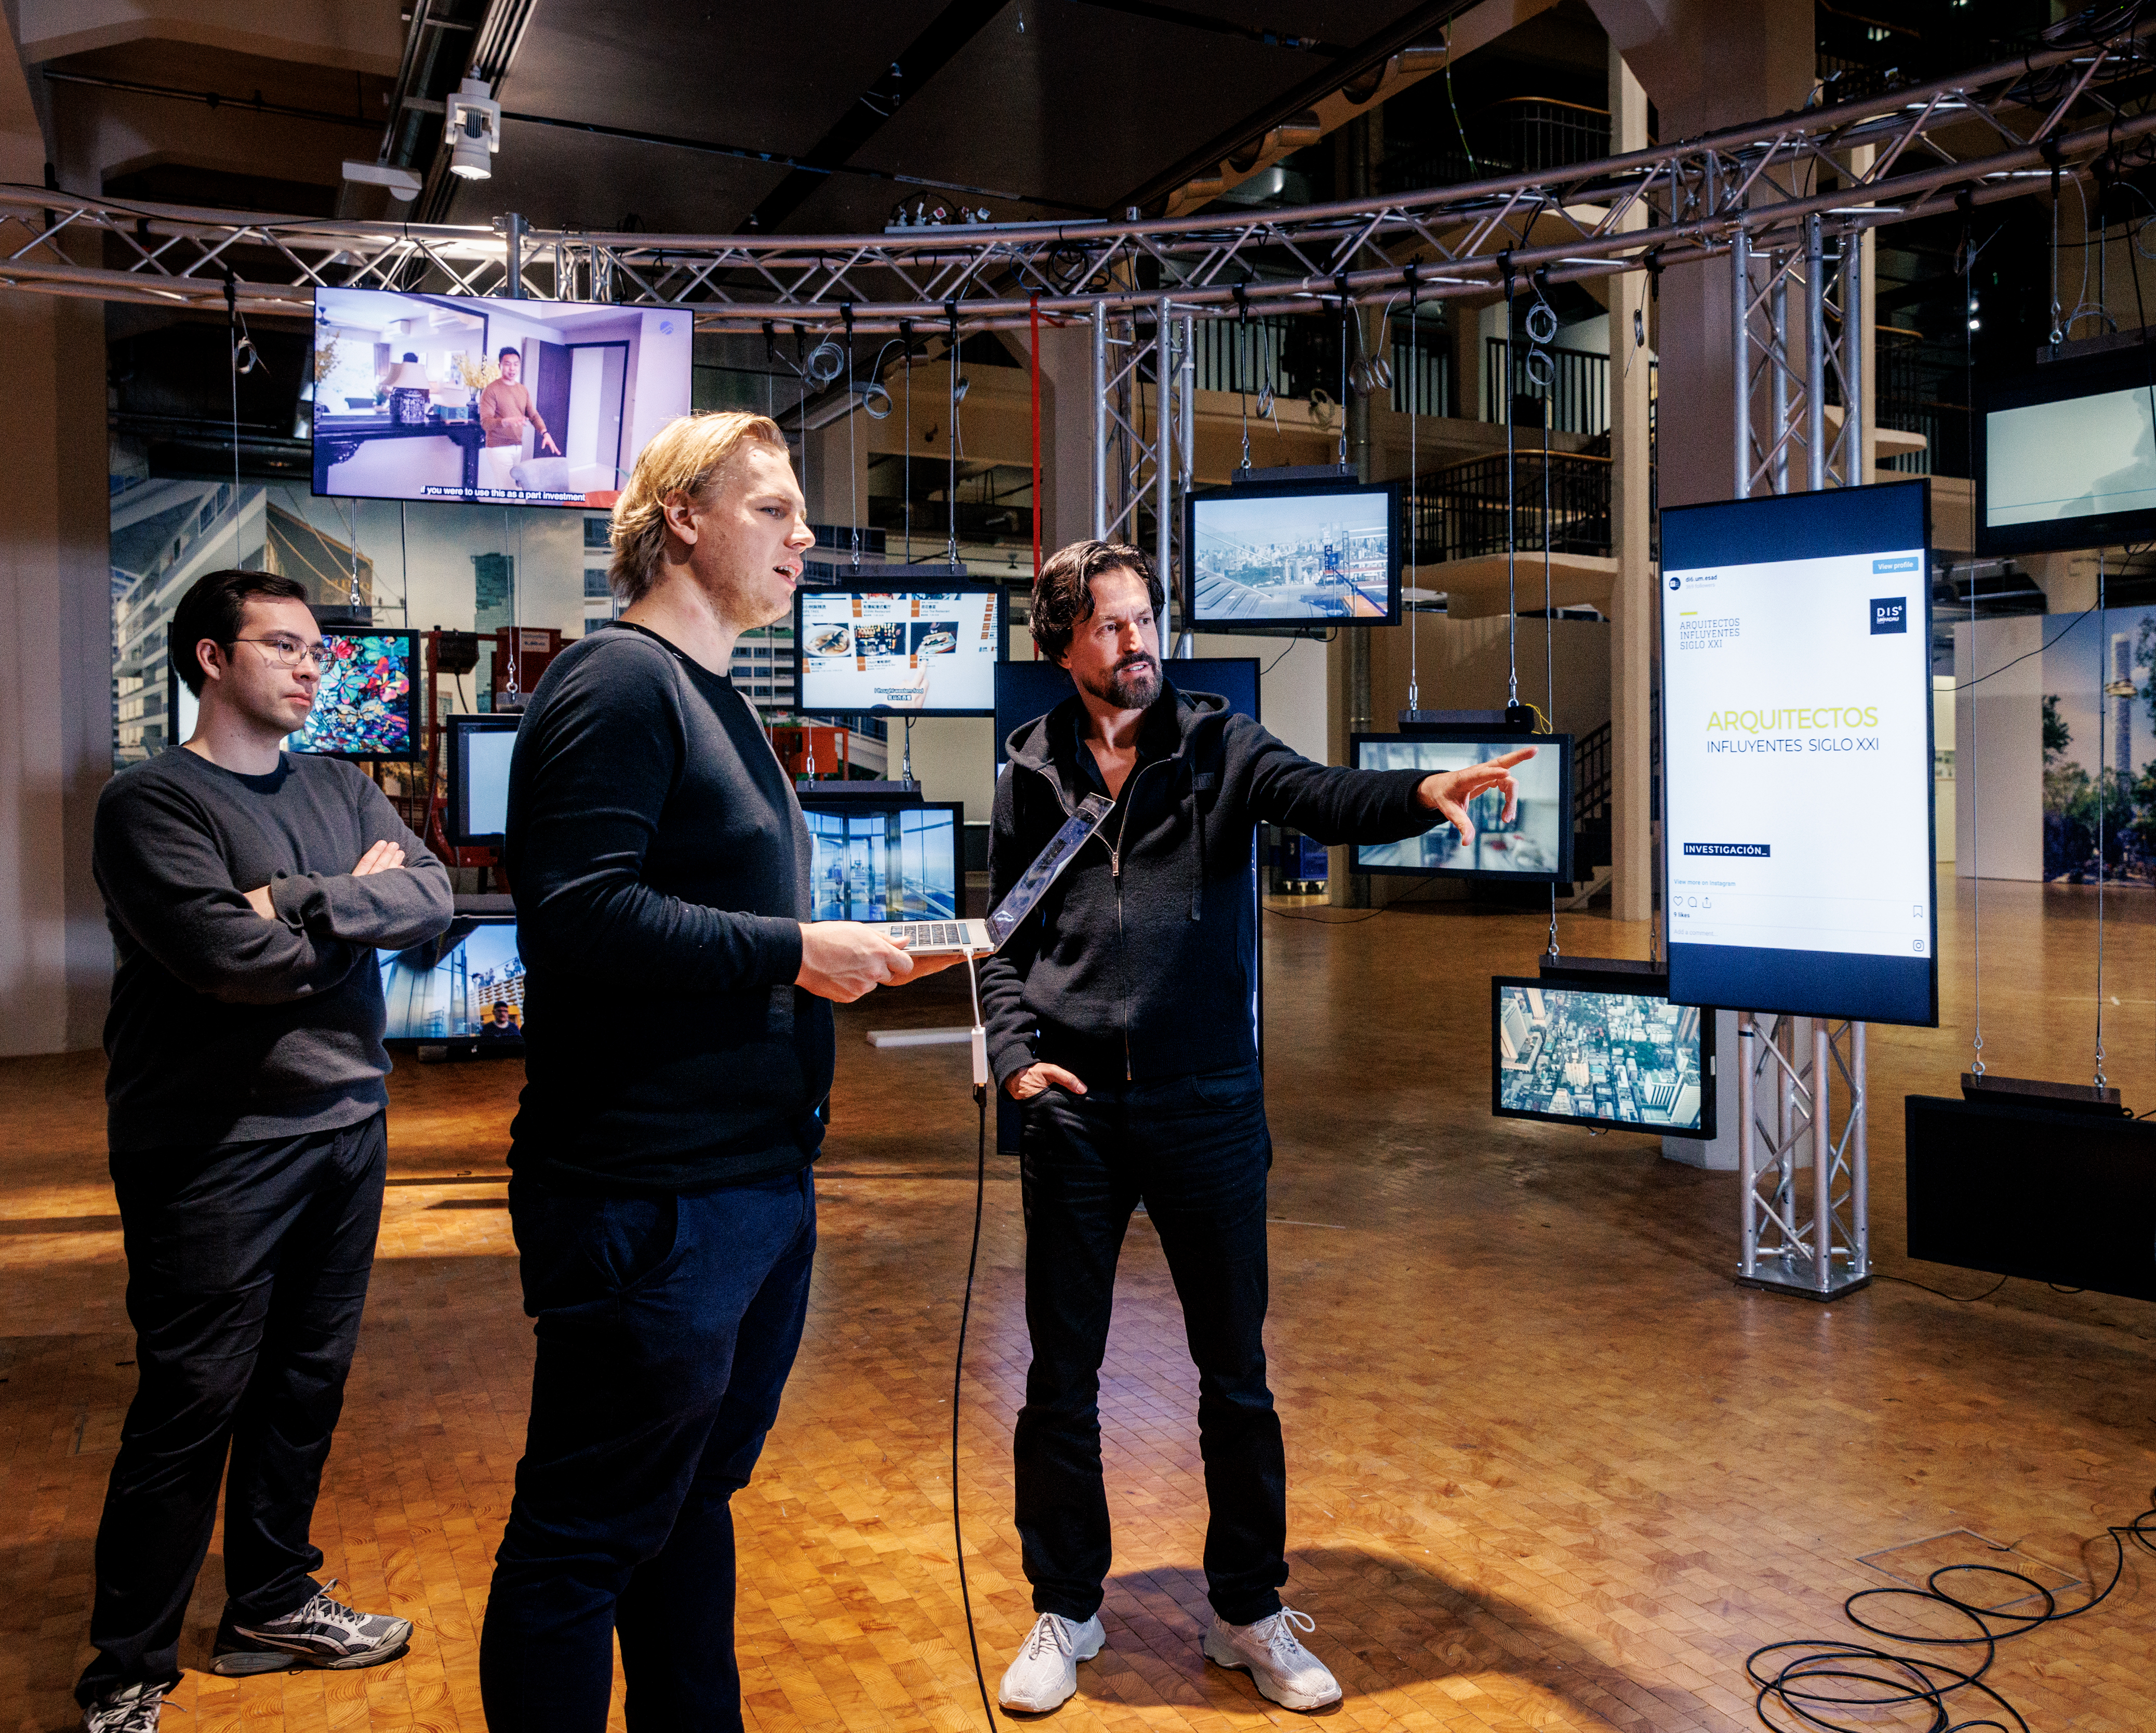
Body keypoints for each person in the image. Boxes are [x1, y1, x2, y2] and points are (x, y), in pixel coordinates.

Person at [978, 540, 1529, 1715]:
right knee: (1058, 1380)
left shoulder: (1218, 746)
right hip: (1074, 1114)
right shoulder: (1028, 770)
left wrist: (1417, 794)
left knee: (1236, 1378)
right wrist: (1018, 1064)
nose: (1138, 643)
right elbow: (1004, 943)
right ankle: (1067, 1608)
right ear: (1062, 646)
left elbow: (1320, 795)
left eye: (1144, 620)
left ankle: (1247, 1610)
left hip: (1208, 1105)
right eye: (1113, 627)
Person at [480, 411, 953, 1733]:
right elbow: (574, 914)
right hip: (646, 1196)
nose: (806, 536)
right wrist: (794, 948)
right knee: (582, 1536)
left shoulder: (717, 695)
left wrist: (815, 955)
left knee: (690, 1500)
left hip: (744, 1187)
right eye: (773, 509)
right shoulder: (617, 683)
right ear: (682, 516)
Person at [79, 570, 454, 1732]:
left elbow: (435, 899)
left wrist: (291, 900)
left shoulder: (342, 784)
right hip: (211, 1145)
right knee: (192, 1396)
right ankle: (127, 1664)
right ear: (208, 657)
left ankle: (269, 1601)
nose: (310, 666)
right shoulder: (150, 804)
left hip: (347, 1125)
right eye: (282, 646)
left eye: (314, 649)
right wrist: (354, 908)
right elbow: (225, 960)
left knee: (305, 1382)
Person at [477, 347, 560, 457]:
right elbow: (485, 423)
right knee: (506, 476)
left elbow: (534, 416)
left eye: (516, 364)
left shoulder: (523, 390)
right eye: (507, 364)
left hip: (517, 445)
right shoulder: (491, 390)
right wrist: (505, 422)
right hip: (498, 447)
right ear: (500, 366)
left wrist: (545, 433)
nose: (512, 369)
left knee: (515, 475)